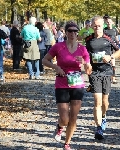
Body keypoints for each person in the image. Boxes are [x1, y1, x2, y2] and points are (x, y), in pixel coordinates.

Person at [42, 20, 92, 150]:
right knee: (65, 118)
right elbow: (44, 60)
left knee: (73, 118)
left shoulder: (82, 49)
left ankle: (67, 143)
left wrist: (85, 63)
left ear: (77, 33)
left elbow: (88, 70)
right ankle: (60, 126)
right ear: (66, 32)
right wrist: (56, 67)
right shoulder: (59, 46)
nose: (73, 33)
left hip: (77, 84)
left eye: (75, 31)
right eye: (70, 31)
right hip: (62, 83)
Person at [85, 16, 120, 140]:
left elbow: (119, 51)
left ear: (102, 26)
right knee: (97, 102)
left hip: (106, 72)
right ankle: (99, 127)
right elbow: (85, 55)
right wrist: (87, 64)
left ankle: (104, 116)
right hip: (94, 73)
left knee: (105, 102)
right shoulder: (88, 40)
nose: (97, 28)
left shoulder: (108, 38)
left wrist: (110, 57)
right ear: (92, 26)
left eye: (99, 25)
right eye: (94, 25)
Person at [104, 17, 120, 84]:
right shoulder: (104, 30)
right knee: (106, 63)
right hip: (106, 47)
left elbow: (116, 38)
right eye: (107, 22)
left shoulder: (114, 30)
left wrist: (118, 42)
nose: (109, 23)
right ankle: (107, 77)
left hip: (113, 47)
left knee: (113, 63)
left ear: (112, 22)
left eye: (110, 22)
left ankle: (113, 78)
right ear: (106, 23)